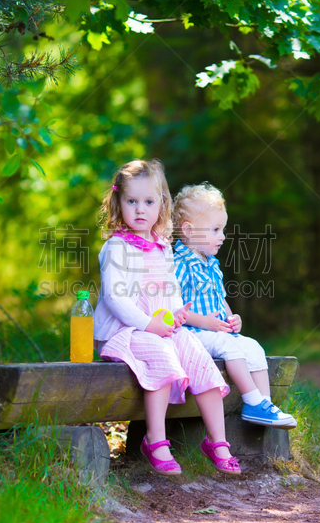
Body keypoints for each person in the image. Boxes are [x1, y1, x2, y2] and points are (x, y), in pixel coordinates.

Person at [94, 160, 241, 476]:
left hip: (157, 327)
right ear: (118, 203)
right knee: (161, 354)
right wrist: (150, 324)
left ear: (162, 204)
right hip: (124, 331)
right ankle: (156, 441)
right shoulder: (116, 247)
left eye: (149, 202)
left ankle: (218, 442)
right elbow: (115, 298)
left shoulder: (161, 246)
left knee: (195, 353)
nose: (140, 209)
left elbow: (170, 289)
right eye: (131, 201)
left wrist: (176, 314)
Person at [172, 183, 297, 430]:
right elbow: (173, 307)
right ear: (189, 231)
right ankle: (252, 400)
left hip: (217, 332)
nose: (223, 236)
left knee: (253, 346)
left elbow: (220, 299)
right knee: (229, 346)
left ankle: (264, 406)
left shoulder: (211, 264)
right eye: (215, 229)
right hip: (193, 334)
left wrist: (232, 318)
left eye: (223, 229)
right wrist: (205, 322)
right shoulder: (179, 264)